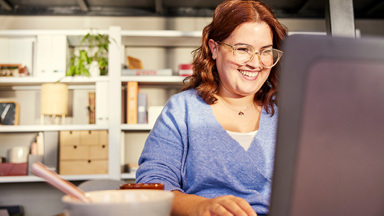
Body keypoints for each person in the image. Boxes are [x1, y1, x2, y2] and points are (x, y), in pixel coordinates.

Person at [135, 0, 287, 215]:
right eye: (243, 49)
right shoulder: (183, 109)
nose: (256, 63)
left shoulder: (287, 111)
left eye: (265, 51)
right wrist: (200, 206)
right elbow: (152, 184)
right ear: (214, 49)